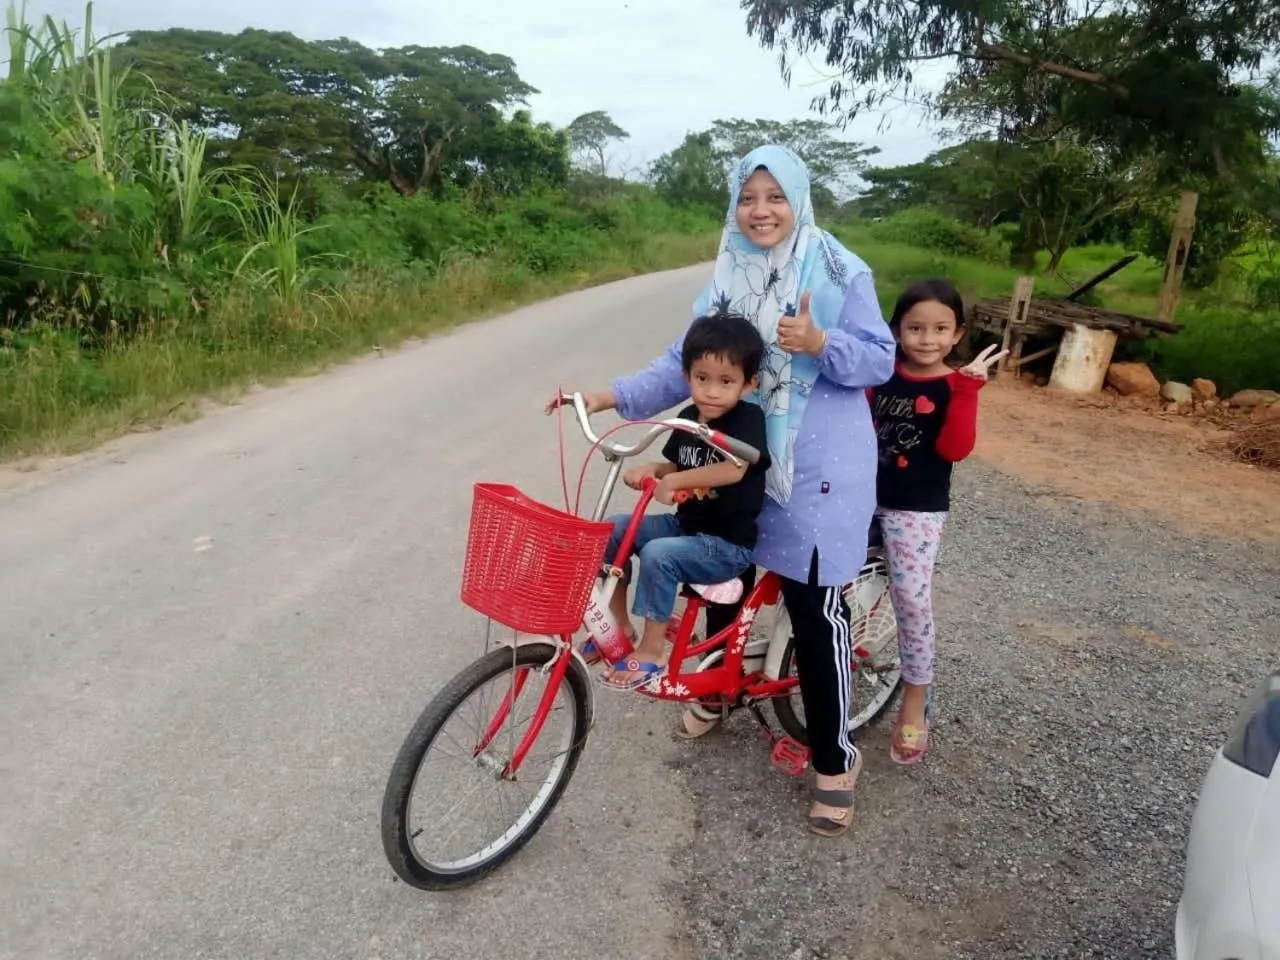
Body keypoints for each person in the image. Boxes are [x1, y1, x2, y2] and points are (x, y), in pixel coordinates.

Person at [551, 144, 896, 836]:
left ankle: (835, 758)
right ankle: (717, 690)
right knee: (719, 570)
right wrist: (606, 397)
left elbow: (881, 359)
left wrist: (820, 343)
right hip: (728, 455)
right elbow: (682, 364)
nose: (760, 211)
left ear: (798, 199)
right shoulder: (727, 274)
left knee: (812, 608)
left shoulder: (838, 269)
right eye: (747, 197)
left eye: (775, 196)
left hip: (815, 470)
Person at [584, 311, 771, 691]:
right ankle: (617, 625)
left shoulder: (747, 420)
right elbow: (677, 463)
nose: (712, 391)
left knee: (659, 554)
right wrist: (655, 468)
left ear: (748, 384)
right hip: (686, 526)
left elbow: (735, 468)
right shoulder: (688, 418)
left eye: (726, 381)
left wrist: (675, 481)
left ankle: (653, 651)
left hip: (726, 545)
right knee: (611, 530)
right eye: (702, 378)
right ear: (687, 376)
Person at [867, 279, 1007, 765]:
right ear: (897, 331)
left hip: (916, 509)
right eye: (915, 328)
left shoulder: (955, 385)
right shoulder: (880, 375)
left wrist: (968, 391)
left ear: (958, 333)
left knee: (910, 597)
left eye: (940, 329)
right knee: (832, 581)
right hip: (861, 499)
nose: (927, 339)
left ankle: (915, 698)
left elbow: (955, 449)